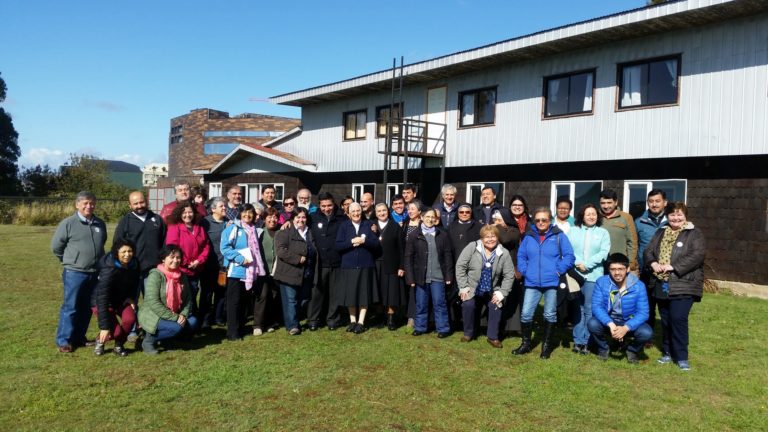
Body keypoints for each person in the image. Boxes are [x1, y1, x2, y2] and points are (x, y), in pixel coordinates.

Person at [643, 202, 705, 371]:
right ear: (667, 216)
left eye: (679, 214)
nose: (676, 218)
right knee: (666, 320)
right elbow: (648, 251)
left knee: (678, 318)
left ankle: (681, 356)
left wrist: (673, 267)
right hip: (661, 282)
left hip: (684, 283)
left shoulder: (694, 233)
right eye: (672, 214)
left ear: (685, 216)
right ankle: (667, 352)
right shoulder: (661, 232)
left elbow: (697, 255)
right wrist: (653, 263)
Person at [513, 207, 575, 359]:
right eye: (538, 220)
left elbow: (569, 255)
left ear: (550, 220)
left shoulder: (559, 236)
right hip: (532, 282)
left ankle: (546, 346)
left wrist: (559, 270)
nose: (541, 222)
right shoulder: (529, 236)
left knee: (549, 314)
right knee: (526, 314)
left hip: (551, 282)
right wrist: (525, 271)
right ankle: (526, 344)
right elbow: (521, 255)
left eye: (544, 220)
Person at [51, 191, 108, 353]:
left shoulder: (99, 223)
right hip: (74, 273)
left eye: (92, 203)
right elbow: (56, 247)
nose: (89, 206)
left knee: (87, 307)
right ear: (77, 205)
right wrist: (70, 261)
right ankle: (64, 341)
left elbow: (101, 244)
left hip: (94, 272)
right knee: (71, 306)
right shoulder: (68, 223)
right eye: (85, 203)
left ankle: (79, 337)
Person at [112, 190, 166, 342]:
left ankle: (152, 328)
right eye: (135, 203)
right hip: (132, 270)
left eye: (141, 202)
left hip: (153, 270)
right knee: (131, 301)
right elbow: (117, 245)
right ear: (130, 205)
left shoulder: (157, 219)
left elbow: (164, 242)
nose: (139, 205)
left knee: (153, 300)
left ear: (146, 201)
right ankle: (132, 330)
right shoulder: (125, 222)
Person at [455, 225, 516, 348]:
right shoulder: (472, 247)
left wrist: (502, 292)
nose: (490, 239)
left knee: (496, 305)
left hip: (493, 288)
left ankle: (493, 337)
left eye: (493, 236)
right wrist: (463, 286)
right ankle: (468, 333)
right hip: (472, 286)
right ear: (482, 239)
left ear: (497, 237)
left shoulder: (503, 253)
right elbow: (460, 266)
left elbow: (509, 275)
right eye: (487, 237)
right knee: (468, 304)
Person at [588, 253, 652, 363]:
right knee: (592, 323)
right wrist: (610, 324)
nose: (617, 273)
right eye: (613, 269)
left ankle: (632, 350)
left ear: (627, 269)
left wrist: (626, 328)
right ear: (608, 270)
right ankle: (603, 349)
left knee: (646, 333)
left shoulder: (639, 286)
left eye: (620, 269)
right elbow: (596, 307)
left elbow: (643, 313)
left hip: (629, 320)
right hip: (609, 320)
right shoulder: (601, 282)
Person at [138, 245, 198, 354]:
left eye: (178, 257)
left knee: (193, 322)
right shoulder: (155, 275)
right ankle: (148, 340)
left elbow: (188, 299)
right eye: (172, 257)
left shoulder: (182, 276)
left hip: (175, 312)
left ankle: (165, 339)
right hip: (154, 314)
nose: (175, 260)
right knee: (177, 327)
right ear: (163, 259)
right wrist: (175, 317)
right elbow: (153, 302)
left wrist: (183, 315)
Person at [568, 203, 611, 354]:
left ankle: (587, 341)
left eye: (594, 214)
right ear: (582, 216)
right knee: (577, 308)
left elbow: (604, 252)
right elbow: (568, 250)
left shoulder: (603, 232)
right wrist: (579, 263)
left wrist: (587, 264)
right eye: (588, 214)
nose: (591, 216)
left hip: (594, 275)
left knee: (589, 308)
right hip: (575, 275)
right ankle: (577, 340)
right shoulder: (573, 231)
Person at [404, 208, 454, 338]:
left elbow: (448, 256)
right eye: (427, 216)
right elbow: (408, 257)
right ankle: (420, 327)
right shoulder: (414, 235)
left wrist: (449, 275)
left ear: (436, 219)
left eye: (433, 217)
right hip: (420, 276)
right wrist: (410, 278)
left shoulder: (442, 235)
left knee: (439, 303)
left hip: (438, 276)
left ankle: (443, 328)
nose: (430, 219)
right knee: (421, 304)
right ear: (421, 217)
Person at [220, 204, 267, 341]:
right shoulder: (233, 229)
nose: (247, 215)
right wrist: (240, 259)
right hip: (236, 271)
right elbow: (224, 248)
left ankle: (240, 327)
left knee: (244, 301)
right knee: (234, 302)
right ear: (240, 214)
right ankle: (232, 332)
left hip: (250, 272)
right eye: (245, 212)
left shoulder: (254, 230)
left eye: (250, 213)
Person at [335, 203, 380, 333]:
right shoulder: (344, 226)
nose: (356, 213)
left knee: (363, 295)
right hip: (348, 266)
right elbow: (338, 246)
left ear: (361, 211)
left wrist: (364, 241)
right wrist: (351, 242)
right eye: (353, 211)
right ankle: (352, 321)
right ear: (348, 213)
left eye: (358, 211)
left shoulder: (368, 224)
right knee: (351, 294)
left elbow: (376, 245)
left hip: (366, 265)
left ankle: (361, 322)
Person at [92, 238, 140, 356]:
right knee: (116, 331)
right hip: (102, 302)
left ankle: (118, 345)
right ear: (116, 253)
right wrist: (104, 327)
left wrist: (131, 297)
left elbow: (135, 283)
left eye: (130, 251)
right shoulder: (108, 268)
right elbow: (102, 297)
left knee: (130, 319)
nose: (127, 254)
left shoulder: (134, 264)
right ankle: (100, 340)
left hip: (121, 300)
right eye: (123, 252)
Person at [308, 192, 347, 331]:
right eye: (323, 206)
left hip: (337, 262)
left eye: (329, 205)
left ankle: (332, 319)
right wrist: (288, 222)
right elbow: (298, 221)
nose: (326, 209)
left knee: (335, 294)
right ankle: (313, 320)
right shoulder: (312, 218)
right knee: (316, 293)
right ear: (319, 205)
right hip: (319, 263)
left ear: (333, 203)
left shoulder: (342, 218)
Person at [274, 208, 317, 335]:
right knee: (290, 300)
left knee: (304, 300)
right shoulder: (284, 232)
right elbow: (281, 251)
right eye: (298, 217)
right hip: (289, 272)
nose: (301, 220)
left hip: (306, 272)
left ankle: (294, 319)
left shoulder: (310, 232)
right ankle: (292, 326)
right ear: (293, 219)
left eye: (303, 217)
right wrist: (298, 259)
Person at [165, 201, 210, 314]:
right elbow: (173, 249)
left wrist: (199, 261)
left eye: (190, 212)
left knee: (193, 293)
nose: (187, 215)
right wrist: (187, 262)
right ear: (179, 214)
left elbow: (206, 246)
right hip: (181, 270)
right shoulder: (175, 228)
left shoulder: (199, 228)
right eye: (184, 213)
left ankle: (191, 317)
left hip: (196, 269)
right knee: (182, 296)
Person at [635, 189, 668, 330]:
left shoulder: (672, 221)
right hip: (646, 271)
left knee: (666, 308)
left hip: (666, 273)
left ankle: (667, 337)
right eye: (651, 201)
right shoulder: (639, 222)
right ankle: (647, 336)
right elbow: (635, 245)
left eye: (657, 201)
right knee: (647, 306)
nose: (654, 204)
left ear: (665, 203)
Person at [373, 203, 406, 330]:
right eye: (379, 211)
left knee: (391, 292)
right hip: (375, 264)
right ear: (376, 213)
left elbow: (401, 248)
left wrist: (401, 266)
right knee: (378, 291)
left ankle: (391, 319)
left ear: (388, 211)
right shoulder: (371, 225)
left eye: (384, 210)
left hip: (392, 263)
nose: (382, 213)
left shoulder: (395, 226)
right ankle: (380, 317)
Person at [200, 197, 229, 328]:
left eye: (224, 206)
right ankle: (205, 319)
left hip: (223, 266)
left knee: (221, 292)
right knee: (207, 293)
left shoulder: (228, 222)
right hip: (208, 265)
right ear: (213, 209)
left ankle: (218, 317)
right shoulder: (205, 223)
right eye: (221, 206)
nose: (224, 208)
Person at [253, 208, 282, 335]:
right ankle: (258, 325)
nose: (272, 220)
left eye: (275, 217)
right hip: (262, 271)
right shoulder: (260, 232)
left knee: (273, 296)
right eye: (269, 217)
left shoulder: (281, 232)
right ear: (264, 219)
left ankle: (270, 323)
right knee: (262, 296)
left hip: (276, 271)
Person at [599, 189, 639, 271]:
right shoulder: (595, 217)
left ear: (616, 202)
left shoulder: (626, 217)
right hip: (599, 265)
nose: (606, 206)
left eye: (609, 203)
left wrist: (630, 264)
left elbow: (632, 242)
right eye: (603, 203)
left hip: (620, 265)